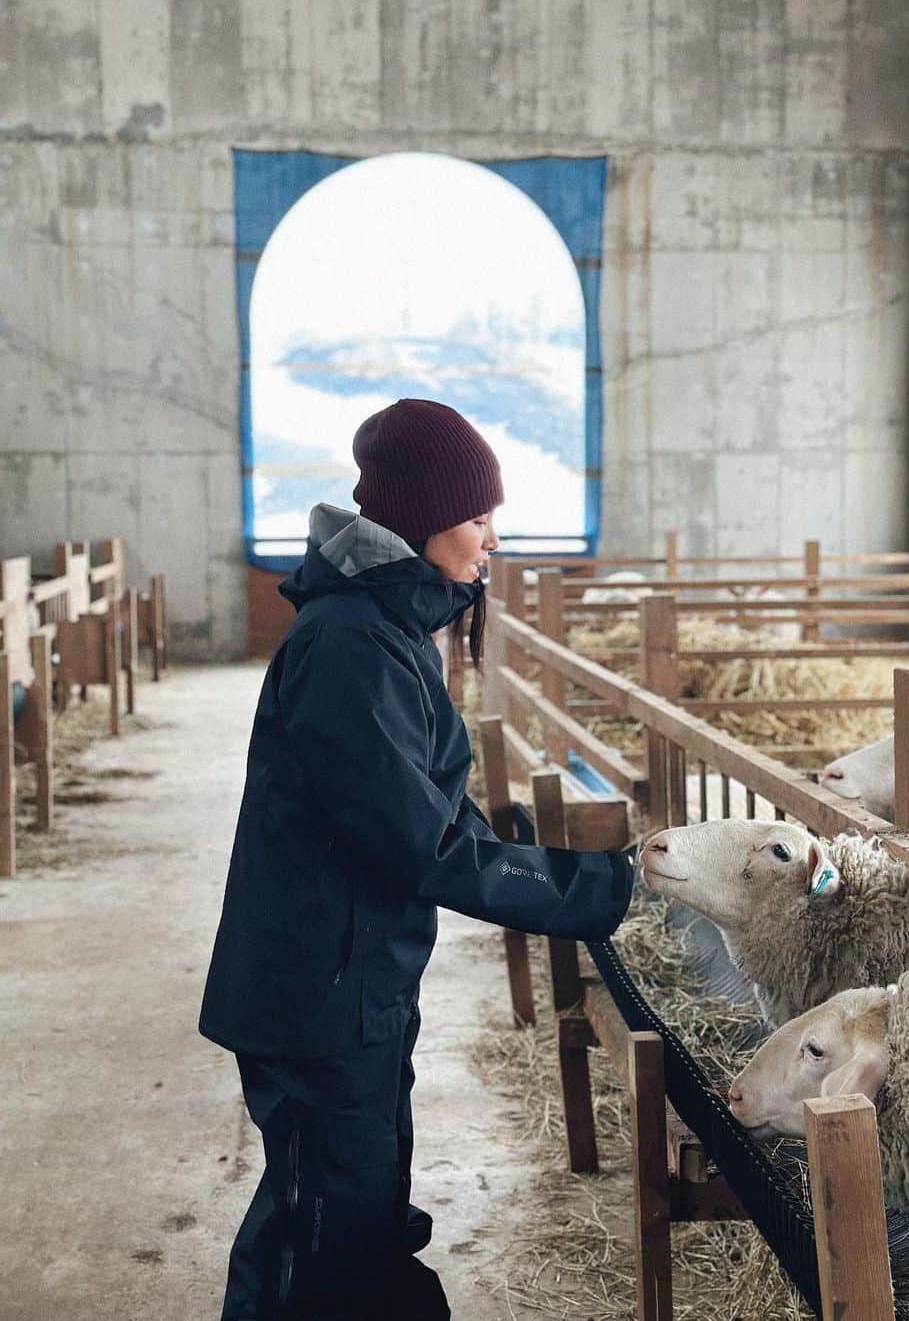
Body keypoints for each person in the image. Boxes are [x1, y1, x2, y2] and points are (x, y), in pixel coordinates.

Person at [200, 398, 635, 1319]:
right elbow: (426, 842)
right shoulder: (353, 646)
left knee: (338, 1208)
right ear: (425, 518)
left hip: (349, 982)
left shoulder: (383, 628)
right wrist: (604, 890)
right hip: (320, 993)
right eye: (479, 517)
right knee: (324, 1230)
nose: (492, 539)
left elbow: (423, 807)